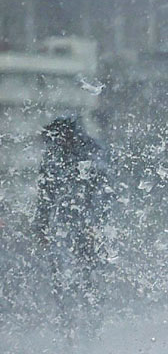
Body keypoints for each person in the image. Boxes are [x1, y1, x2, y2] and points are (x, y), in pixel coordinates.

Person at [33, 116, 111, 325]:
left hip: (88, 225)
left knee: (89, 274)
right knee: (60, 274)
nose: (55, 143)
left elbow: (102, 194)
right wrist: (41, 226)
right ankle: (67, 320)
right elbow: (45, 195)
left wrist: (95, 226)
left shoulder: (92, 154)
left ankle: (92, 320)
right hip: (63, 226)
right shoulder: (54, 157)